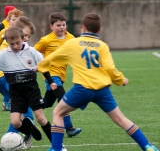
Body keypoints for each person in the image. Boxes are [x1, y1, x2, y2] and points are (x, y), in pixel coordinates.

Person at [37, 12, 159, 151]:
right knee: (121, 119)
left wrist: (39, 67)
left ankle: (57, 148)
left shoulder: (72, 43)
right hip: (102, 90)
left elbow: (49, 59)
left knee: (58, 112)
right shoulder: (102, 45)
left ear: (82, 28)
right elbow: (110, 68)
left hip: (82, 89)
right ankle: (147, 146)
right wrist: (121, 80)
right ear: (99, 30)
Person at [0, 26, 54, 150]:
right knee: (15, 121)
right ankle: (29, 130)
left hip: (32, 89)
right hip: (15, 91)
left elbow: (44, 66)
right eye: (12, 44)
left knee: (41, 118)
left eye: (18, 43)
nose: (15, 46)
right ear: (7, 42)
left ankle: (58, 146)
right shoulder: (3, 55)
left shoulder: (32, 52)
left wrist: (50, 81)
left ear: (23, 39)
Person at [34, 12, 81, 138]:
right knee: (63, 98)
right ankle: (69, 128)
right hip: (51, 75)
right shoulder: (46, 40)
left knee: (47, 103)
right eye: (58, 25)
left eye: (64, 25)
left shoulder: (71, 38)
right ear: (51, 26)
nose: (62, 27)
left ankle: (29, 106)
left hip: (61, 75)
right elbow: (33, 53)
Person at [0, 8, 23, 103]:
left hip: (13, 70)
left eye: (18, 20)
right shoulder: (3, 32)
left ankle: (7, 103)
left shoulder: (22, 35)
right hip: (2, 71)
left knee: (12, 94)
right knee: (15, 89)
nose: (16, 22)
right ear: (8, 21)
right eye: (13, 19)